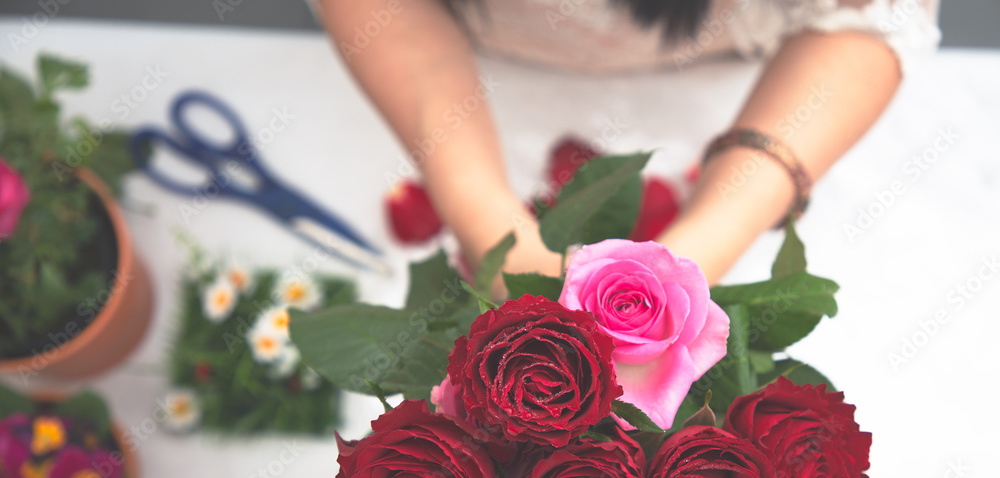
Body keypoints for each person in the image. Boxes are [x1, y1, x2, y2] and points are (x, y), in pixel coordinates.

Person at [315, 0, 940, 285]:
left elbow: (874, 15)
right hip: (445, 65)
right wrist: (482, 214)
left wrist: (702, 248)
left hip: (764, 88)